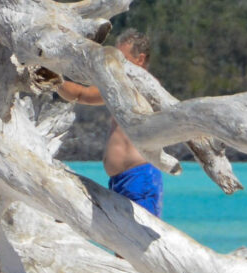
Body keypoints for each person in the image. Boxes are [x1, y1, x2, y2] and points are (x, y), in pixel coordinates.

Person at [48, 30, 165, 217]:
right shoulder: (119, 86)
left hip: (140, 177)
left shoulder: (146, 87)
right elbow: (82, 95)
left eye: (122, 59)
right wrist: (53, 80)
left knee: (138, 241)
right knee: (121, 241)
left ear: (140, 60)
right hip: (120, 180)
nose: (116, 65)